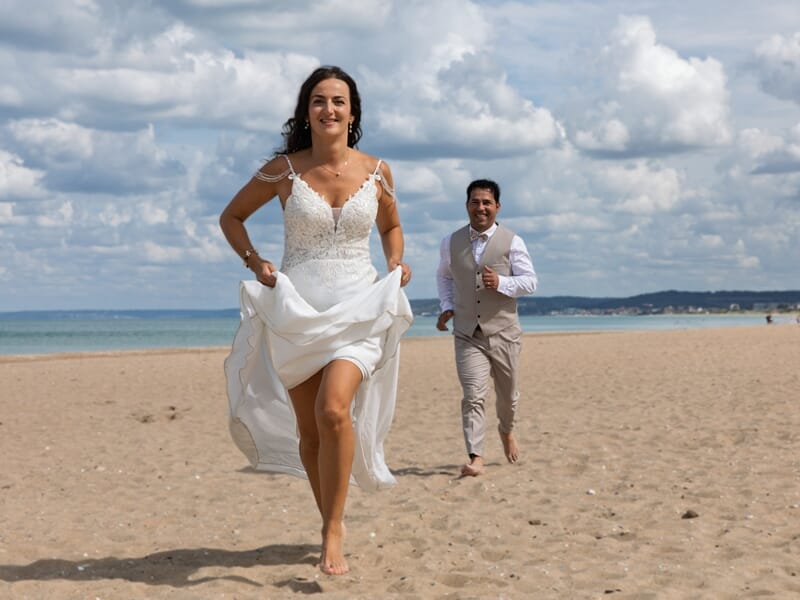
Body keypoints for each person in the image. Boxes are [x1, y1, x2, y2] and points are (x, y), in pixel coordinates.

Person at [219, 65, 413, 575]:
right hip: (297, 314)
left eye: (338, 101)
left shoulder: (377, 171)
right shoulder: (283, 170)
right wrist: (255, 262)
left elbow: (391, 226)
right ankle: (328, 515)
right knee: (309, 433)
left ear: (353, 113)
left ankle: (333, 528)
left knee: (333, 410)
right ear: (306, 112)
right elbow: (231, 217)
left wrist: (395, 262)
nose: (329, 109)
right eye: (319, 101)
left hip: (358, 310)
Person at [436, 179, 537, 477]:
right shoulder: (450, 242)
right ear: (467, 205)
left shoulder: (513, 241)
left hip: (504, 332)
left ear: (497, 207)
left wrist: (502, 282)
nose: (480, 208)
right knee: (473, 395)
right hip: (468, 333)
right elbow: (444, 276)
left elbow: (530, 282)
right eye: (475, 202)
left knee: (508, 397)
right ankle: (476, 456)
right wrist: (447, 306)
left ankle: (506, 430)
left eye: (486, 203)